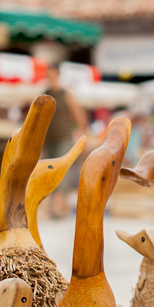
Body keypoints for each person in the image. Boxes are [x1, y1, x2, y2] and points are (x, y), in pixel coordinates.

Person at [41, 64, 88, 216]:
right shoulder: (44, 94)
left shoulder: (65, 94)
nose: (50, 77)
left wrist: (83, 134)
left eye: (52, 74)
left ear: (57, 74)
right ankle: (61, 206)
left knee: (61, 172)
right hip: (48, 139)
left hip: (63, 138)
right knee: (50, 172)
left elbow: (79, 114)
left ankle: (57, 207)